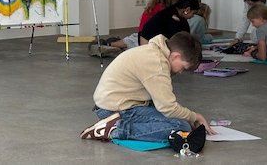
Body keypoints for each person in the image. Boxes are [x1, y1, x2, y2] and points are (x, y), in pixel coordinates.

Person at [80, 32, 215, 142]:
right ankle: (115, 130)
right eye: (184, 68)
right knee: (181, 126)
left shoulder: (155, 52)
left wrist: (186, 116)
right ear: (175, 56)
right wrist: (195, 116)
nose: (181, 72)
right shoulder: (157, 63)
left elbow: (163, 102)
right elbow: (167, 107)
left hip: (116, 103)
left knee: (181, 119)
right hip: (114, 109)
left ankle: (113, 125)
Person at [107, 0, 184, 51]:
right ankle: (113, 45)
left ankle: (113, 44)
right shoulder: (163, 10)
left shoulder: (155, 4)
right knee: (133, 41)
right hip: (147, 38)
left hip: (142, 35)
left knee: (132, 39)